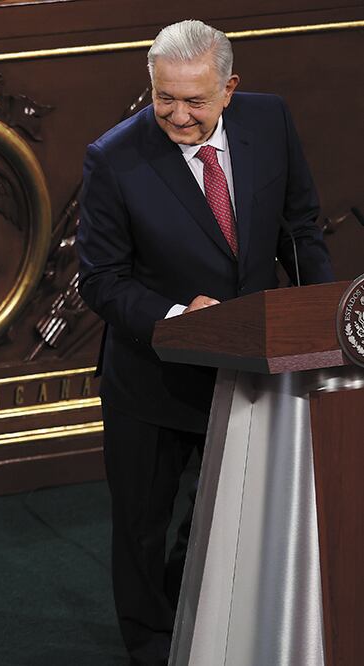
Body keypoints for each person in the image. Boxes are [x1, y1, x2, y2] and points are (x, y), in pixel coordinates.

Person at [76, 19, 334, 666]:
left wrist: (313, 315)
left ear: (229, 89)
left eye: (194, 101)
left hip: (250, 364)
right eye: (164, 97)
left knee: (224, 515)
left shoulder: (269, 121)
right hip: (151, 378)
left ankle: (196, 622)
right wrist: (174, 314)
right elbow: (99, 280)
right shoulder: (113, 157)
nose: (177, 115)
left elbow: (298, 226)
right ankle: (149, 646)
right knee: (141, 528)